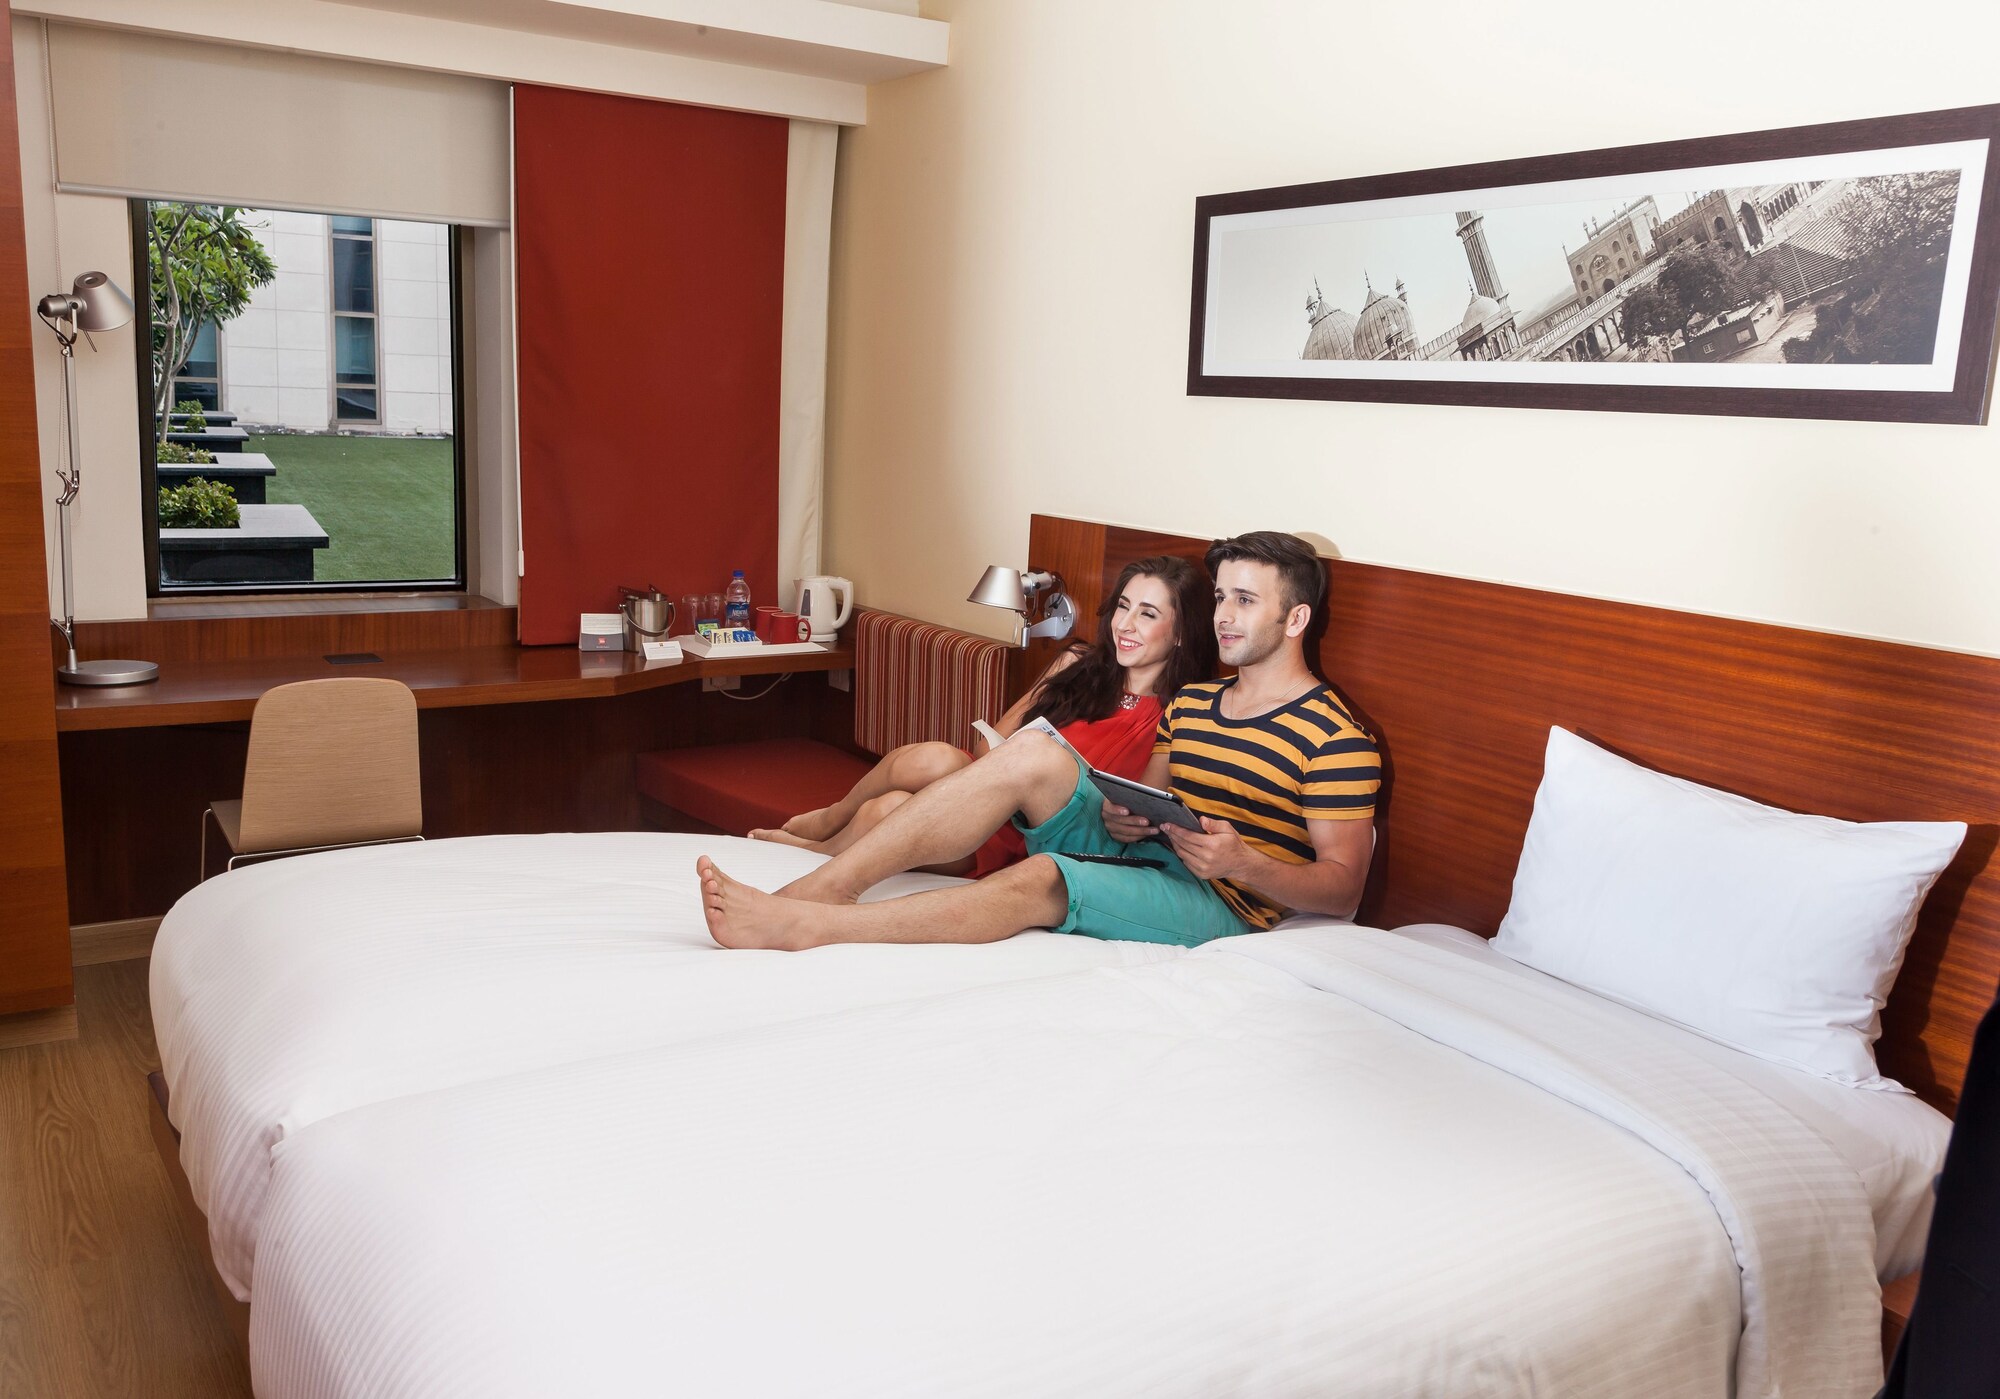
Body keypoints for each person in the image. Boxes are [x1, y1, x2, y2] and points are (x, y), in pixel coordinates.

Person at [697, 530, 1379, 951]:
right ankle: (826, 885)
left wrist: (1245, 862)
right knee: (1030, 750)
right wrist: (1129, 816)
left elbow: (1344, 890)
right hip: (1154, 852)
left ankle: (813, 924)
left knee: (1045, 877)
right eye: (1222, 597)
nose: (1225, 615)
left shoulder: (1336, 738)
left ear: (1296, 619)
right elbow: (1148, 799)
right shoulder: (1196, 702)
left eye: (1245, 601)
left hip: (1223, 897)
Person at [751, 556, 1218, 875]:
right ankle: (831, 820)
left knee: (886, 810)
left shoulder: (1183, 714)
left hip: (1040, 833)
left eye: (1147, 614)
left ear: (1181, 632)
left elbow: (1139, 813)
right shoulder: (1079, 665)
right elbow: (988, 744)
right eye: (1122, 607)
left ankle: (819, 851)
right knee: (932, 758)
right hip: (990, 789)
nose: (1124, 625)